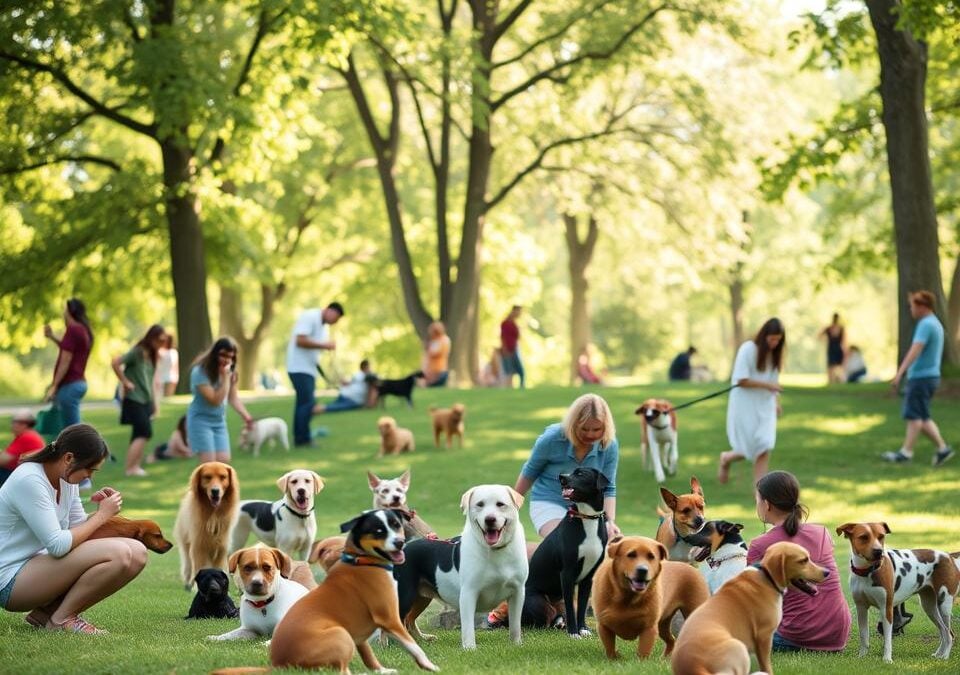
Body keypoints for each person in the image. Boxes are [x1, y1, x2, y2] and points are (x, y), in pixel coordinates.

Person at [486, 393, 621, 628]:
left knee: (610, 544)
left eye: (596, 429)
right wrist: (510, 509)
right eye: (584, 429)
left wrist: (608, 521)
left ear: (605, 427)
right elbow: (530, 472)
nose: (590, 435)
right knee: (564, 542)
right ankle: (516, 609)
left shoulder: (608, 445)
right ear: (573, 424)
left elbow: (609, 487)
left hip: (588, 508)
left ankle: (572, 614)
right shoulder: (552, 438)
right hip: (549, 500)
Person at [0, 424, 147, 634]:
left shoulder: (66, 479)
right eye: (89, 468)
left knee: (137, 553)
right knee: (120, 553)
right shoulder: (30, 480)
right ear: (68, 458)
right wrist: (103, 515)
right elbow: (58, 545)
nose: (89, 476)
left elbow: (77, 528)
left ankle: (45, 614)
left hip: (37, 569)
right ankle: (61, 620)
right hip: (9, 580)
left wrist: (99, 512)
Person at [747, 471, 850, 652]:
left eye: (757, 500)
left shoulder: (759, 545)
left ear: (767, 505)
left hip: (795, 637)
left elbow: (754, 598)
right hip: (838, 633)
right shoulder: (822, 533)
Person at [883, 290, 953, 466]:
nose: (911, 310)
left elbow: (915, 351)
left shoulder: (926, 325)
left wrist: (900, 373)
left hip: (921, 377)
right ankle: (942, 449)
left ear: (922, 306)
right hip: (931, 376)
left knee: (914, 415)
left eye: (913, 306)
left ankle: (906, 452)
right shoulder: (935, 324)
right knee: (922, 416)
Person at [718, 318, 785, 486]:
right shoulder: (748, 349)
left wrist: (776, 402)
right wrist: (768, 385)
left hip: (766, 405)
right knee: (747, 448)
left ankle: (760, 494)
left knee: (764, 445)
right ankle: (726, 458)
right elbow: (741, 380)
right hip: (745, 404)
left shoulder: (775, 355)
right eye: (772, 339)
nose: (774, 343)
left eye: (778, 339)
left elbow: (774, 382)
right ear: (764, 336)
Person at [187, 337, 254, 464]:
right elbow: (215, 400)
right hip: (200, 421)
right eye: (223, 355)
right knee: (209, 465)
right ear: (214, 354)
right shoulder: (199, 372)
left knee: (223, 461)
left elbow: (233, 398)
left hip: (218, 422)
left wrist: (247, 417)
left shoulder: (229, 373)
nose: (226, 360)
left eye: (230, 357)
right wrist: (225, 378)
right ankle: (200, 484)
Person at [286, 302, 344, 446]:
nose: (334, 322)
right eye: (335, 318)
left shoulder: (323, 328)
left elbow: (313, 353)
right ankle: (303, 439)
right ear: (329, 310)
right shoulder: (310, 316)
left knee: (304, 403)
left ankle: (301, 437)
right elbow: (300, 340)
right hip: (299, 367)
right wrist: (325, 345)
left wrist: (324, 375)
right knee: (306, 403)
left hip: (309, 369)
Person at [112, 325, 166, 477]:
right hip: (134, 398)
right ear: (152, 337)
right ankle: (131, 468)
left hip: (145, 400)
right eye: (160, 339)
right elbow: (116, 363)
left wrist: (155, 403)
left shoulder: (152, 356)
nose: (162, 343)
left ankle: (134, 466)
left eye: (164, 340)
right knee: (144, 431)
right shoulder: (137, 352)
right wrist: (125, 381)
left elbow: (151, 381)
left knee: (140, 432)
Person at [43, 298, 94, 428]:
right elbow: (68, 348)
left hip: (70, 385)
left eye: (65, 310)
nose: (63, 313)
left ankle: (96, 448)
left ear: (70, 311)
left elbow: (65, 360)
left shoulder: (73, 329)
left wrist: (54, 385)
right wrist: (52, 336)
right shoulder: (82, 329)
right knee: (67, 430)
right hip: (76, 383)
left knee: (74, 432)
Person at [0, 409, 46, 486]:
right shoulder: (30, 435)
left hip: (22, 477)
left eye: (14, 421)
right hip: (27, 474)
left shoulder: (26, 437)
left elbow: (2, 461)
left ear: (24, 424)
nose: (11, 425)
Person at [500, 305, 525, 388]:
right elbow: (503, 337)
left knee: (520, 370)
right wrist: (505, 349)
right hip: (508, 349)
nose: (519, 314)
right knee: (509, 370)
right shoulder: (506, 323)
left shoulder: (514, 323)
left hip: (515, 348)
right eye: (518, 312)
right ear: (514, 311)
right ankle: (509, 387)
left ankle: (520, 386)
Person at [420, 321, 451, 387]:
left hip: (438, 371)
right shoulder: (433, 342)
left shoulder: (443, 340)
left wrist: (427, 349)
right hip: (432, 370)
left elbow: (435, 353)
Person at [820, 313, 846, 384]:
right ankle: (831, 381)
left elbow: (844, 340)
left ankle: (837, 380)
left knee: (837, 367)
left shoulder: (840, 328)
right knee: (832, 367)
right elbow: (820, 336)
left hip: (836, 349)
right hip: (832, 349)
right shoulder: (829, 328)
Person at [155, 333, 180, 398]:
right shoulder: (160, 352)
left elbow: (175, 367)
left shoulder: (173, 352)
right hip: (162, 378)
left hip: (169, 378)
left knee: (167, 398)